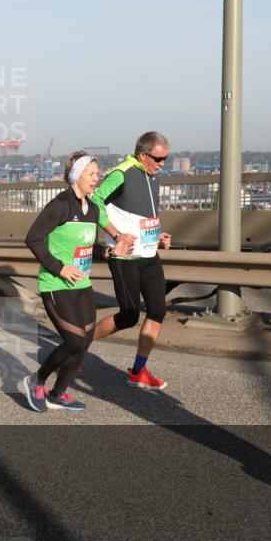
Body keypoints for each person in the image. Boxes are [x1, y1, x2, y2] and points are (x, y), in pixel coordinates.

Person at [90, 131, 173, 390]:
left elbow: (141, 217)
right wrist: (115, 234)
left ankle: (138, 371)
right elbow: (95, 202)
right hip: (125, 257)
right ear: (142, 154)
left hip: (149, 256)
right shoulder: (122, 173)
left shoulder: (153, 178)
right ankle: (79, 344)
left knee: (158, 311)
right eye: (158, 158)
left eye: (165, 159)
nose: (162, 164)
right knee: (128, 316)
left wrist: (157, 237)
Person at [22, 151, 101, 413]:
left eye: (97, 173)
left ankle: (58, 394)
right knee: (75, 341)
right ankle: (37, 380)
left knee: (85, 342)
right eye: (91, 174)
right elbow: (33, 238)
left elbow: (88, 248)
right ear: (76, 176)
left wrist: (110, 252)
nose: (96, 178)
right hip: (56, 285)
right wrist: (59, 268)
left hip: (82, 285)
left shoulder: (93, 209)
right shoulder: (60, 205)